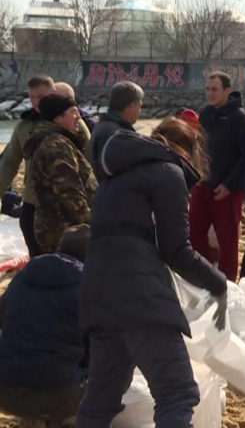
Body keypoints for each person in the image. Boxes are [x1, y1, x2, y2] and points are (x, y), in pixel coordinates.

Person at [77, 118, 228, 427]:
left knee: (100, 401)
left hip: (98, 293)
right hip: (140, 296)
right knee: (177, 393)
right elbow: (176, 250)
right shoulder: (167, 172)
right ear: (187, 150)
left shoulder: (115, 176)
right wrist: (217, 281)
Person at [0, 224, 90, 426]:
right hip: (58, 393)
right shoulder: (87, 286)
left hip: (5, 388)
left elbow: (3, 317)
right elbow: (99, 347)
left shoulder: (24, 275)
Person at [189, 72, 245, 281]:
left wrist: (229, 184)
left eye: (214, 89)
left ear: (227, 91)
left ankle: (227, 286)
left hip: (228, 191)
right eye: (207, 89)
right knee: (193, 235)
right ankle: (205, 277)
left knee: (228, 243)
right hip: (203, 185)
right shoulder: (205, 114)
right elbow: (198, 148)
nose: (210, 93)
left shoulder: (239, 118)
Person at [23, 94, 97, 254]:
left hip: (63, 229)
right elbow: (70, 193)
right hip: (65, 231)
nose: (78, 116)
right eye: (73, 112)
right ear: (58, 118)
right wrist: (94, 224)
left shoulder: (57, 141)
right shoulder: (56, 146)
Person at [0, 75, 55, 257]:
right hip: (32, 203)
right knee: (36, 256)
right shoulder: (24, 128)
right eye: (32, 96)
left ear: (52, 93)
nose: (35, 101)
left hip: (64, 204)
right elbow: (8, 164)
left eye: (40, 96)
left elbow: (89, 160)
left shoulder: (70, 121)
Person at [90, 81, 144, 180]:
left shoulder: (102, 125)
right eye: (139, 106)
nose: (140, 111)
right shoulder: (117, 135)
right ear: (131, 106)